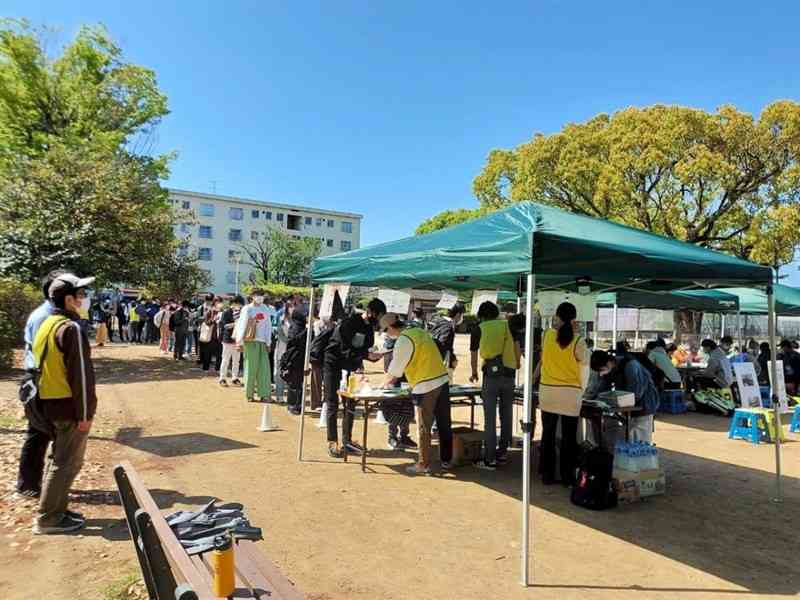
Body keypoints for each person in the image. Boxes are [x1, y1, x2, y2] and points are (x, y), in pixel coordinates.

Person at [31, 273, 97, 534]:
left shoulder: (48, 323)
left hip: (49, 402)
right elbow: (80, 377)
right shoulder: (70, 329)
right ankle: (49, 517)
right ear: (68, 299)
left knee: (59, 458)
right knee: (66, 462)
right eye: (80, 295)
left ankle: (57, 508)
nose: (83, 299)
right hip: (69, 406)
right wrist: (85, 414)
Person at [16, 270, 69, 499]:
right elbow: (43, 355)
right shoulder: (44, 317)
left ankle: (36, 483)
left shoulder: (50, 314)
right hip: (40, 380)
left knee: (41, 433)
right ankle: (29, 485)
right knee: (38, 434)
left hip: (42, 379)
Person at [381, 313, 453, 475]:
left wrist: (383, 384)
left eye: (386, 330)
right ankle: (447, 460)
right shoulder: (419, 331)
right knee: (444, 423)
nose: (386, 334)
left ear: (391, 327)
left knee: (424, 427)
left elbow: (395, 371)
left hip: (425, 385)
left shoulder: (403, 340)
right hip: (442, 379)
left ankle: (423, 464)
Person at [323, 298, 386, 457]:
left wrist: (372, 356)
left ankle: (347, 441)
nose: (378, 320)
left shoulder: (369, 329)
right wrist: (366, 354)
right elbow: (344, 349)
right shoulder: (349, 323)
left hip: (351, 366)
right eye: (378, 316)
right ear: (371, 312)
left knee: (351, 402)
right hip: (333, 363)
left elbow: (365, 349)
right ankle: (332, 442)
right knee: (332, 402)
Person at [535, 302, 587, 485]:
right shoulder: (579, 341)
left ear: (557, 316)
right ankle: (567, 477)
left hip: (547, 391)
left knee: (547, 435)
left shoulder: (547, 335)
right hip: (570, 395)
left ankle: (547, 475)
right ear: (574, 320)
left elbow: (542, 361)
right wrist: (582, 390)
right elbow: (585, 368)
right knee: (568, 438)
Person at [470, 301, 521, 470]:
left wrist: (474, 372)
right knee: (506, 414)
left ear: (482, 315)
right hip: (510, 374)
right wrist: (516, 363)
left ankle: (489, 458)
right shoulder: (508, 325)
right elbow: (517, 347)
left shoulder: (479, 328)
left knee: (489, 418)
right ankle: (503, 453)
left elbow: (474, 354)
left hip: (491, 375)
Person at [590, 348, 660, 443]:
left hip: (645, 404)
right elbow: (602, 388)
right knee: (630, 436)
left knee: (640, 438)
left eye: (601, 370)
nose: (601, 374)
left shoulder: (631, 365)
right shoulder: (610, 370)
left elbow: (636, 393)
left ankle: (640, 456)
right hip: (631, 405)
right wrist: (593, 399)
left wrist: (618, 403)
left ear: (609, 363)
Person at [234, 289, 275, 402]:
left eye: (261, 295)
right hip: (250, 341)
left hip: (262, 341)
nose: (260, 297)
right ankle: (249, 394)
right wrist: (239, 342)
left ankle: (264, 394)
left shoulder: (265, 308)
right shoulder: (247, 308)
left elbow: (268, 326)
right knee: (250, 368)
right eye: (258, 295)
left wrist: (268, 342)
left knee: (264, 369)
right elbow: (242, 325)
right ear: (252, 296)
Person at [280, 311, 309, 415]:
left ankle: (298, 405)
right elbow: (293, 341)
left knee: (299, 383)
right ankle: (292, 405)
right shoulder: (295, 327)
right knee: (293, 383)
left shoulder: (302, 327)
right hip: (294, 358)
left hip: (301, 358)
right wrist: (305, 332)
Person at [430, 303, 466, 382]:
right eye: (462, 315)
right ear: (458, 314)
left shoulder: (438, 322)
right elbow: (443, 344)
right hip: (441, 366)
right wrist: (452, 359)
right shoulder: (448, 327)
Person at [218, 295, 244, 386]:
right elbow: (225, 326)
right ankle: (222, 378)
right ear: (233, 303)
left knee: (236, 360)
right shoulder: (226, 312)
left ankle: (235, 377)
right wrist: (236, 323)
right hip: (227, 339)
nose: (239, 306)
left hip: (238, 340)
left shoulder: (242, 313)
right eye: (238, 304)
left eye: (240, 304)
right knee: (225, 359)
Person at [198, 299, 222, 373]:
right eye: (218, 302)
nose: (219, 304)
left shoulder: (222, 312)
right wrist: (213, 319)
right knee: (207, 353)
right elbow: (206, 322)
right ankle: (206, 368)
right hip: (210, 336)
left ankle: (217, 368)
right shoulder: (209, 312)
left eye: (220, 302)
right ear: (214, 304)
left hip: (219, 336)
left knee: (219, 354)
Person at [273, 309, 291, 403]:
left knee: (290, 374)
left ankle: (290, 398)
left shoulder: (296, 321)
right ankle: (279, 396)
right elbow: (280, 334)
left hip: (291, 352)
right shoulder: (281, 320)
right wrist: (289, 341)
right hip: (281, 350)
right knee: (279, 373)